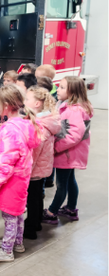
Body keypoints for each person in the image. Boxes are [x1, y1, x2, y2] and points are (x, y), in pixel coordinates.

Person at [0, 85, 40, 262]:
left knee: (9, 215)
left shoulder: (10, 130)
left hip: (11, 181)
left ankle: (7, 250)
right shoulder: (25, 124)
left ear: (7, 105)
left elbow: (6, 160)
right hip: (21, 178)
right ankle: (17, 242)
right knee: (18, 212)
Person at [47, 75, 93, 223]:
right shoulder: (72, 107)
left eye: (61, 87)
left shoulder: (73, 110)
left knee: (61, 184)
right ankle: (71, 209)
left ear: (72, 92)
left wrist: (56, 148)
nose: (57, 89)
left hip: (66, 153)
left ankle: (51, 212)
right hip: (71, 154)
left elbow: (74, 135)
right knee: (70, 180)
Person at [22, 86, 61, 239]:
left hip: (35, 169)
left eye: (27, 99)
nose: (25, 101)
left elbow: (35, 151)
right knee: (37, 196)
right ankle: (37, 221)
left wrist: (27, 169)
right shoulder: (48, 120)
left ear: (37, 104)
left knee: (32, 198)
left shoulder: (39, 125)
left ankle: (31, 228)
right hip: (43, 168)